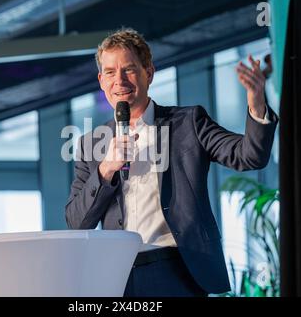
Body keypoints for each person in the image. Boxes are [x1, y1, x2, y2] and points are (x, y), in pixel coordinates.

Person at [65, 28, 278, 297]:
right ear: (101, 80)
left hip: (176, 270)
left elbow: (249, 156)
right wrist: (105, 169)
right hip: (116, 276)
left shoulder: (188, 123)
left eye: (129, 69)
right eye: (110, 72)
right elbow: (76, 222)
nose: (119, 80)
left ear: (149, 73)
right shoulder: (91, 144)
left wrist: (257, 105)